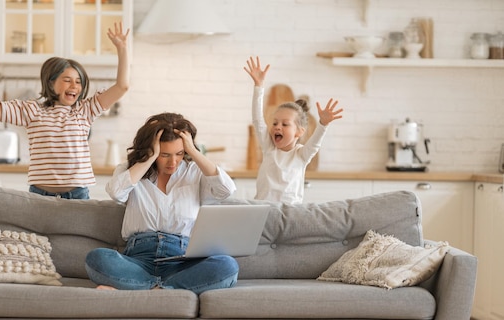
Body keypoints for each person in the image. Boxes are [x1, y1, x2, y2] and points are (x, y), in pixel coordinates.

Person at [0, 22, 130, 200]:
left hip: (77, 196)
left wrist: (122, 49)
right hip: (40, 196)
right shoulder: (31, 110)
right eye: (67, 80)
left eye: (78, 81)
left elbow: (122, 86)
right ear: (51, 83)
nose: (74, 86)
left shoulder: (85, 110)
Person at [84, 113, 239, 295]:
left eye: (179, 153)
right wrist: (149, 157)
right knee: (98, 259)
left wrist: (194, 152)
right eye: (164, 154)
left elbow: (226, 190)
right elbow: (116, 193)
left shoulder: (195, 172)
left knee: (227, 265)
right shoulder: (131, 170)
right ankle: (168, 289)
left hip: (181, 261)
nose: (173, 162)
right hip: (139, 260)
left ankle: (146, 288)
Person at [244, 56, 343, 205]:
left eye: (285, 124)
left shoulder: (301, 155)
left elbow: (315, 144)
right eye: (275, 122)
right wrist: (259, 86)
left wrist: (323, 124)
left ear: (299, 132)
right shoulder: (269, 148)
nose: (278, 126)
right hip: (262, 210)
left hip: (290, 214)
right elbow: (258, 120)